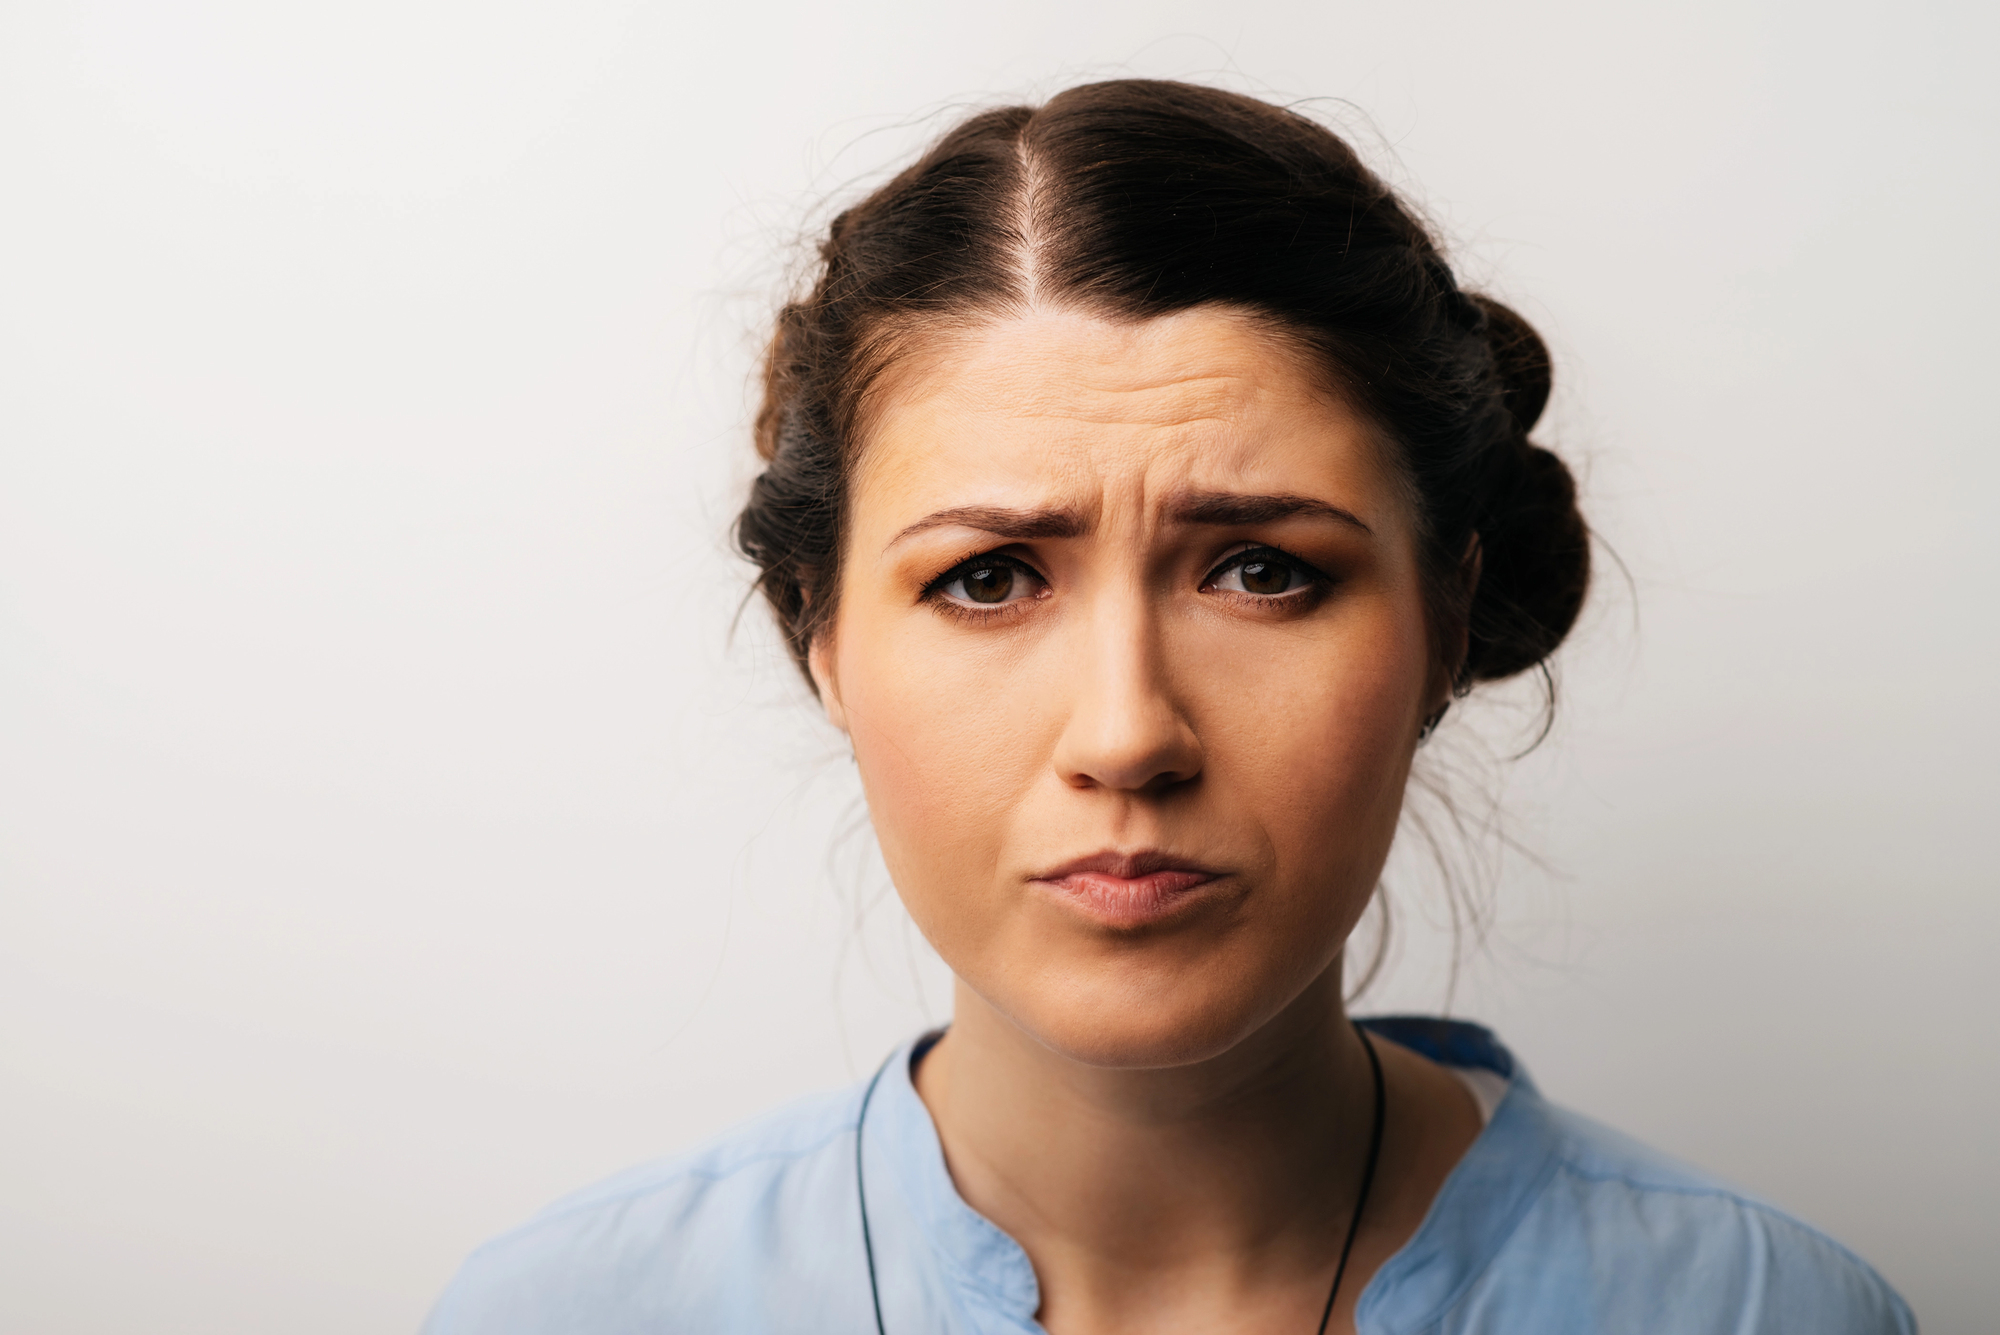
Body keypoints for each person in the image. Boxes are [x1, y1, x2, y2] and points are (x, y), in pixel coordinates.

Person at [422, 80, 1913, 1334]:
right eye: (992, 579)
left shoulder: (1762, 1309)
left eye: (1262, 571)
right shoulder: (564, 1310)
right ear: (816, 636)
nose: (1129, 733)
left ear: (1447, 618)